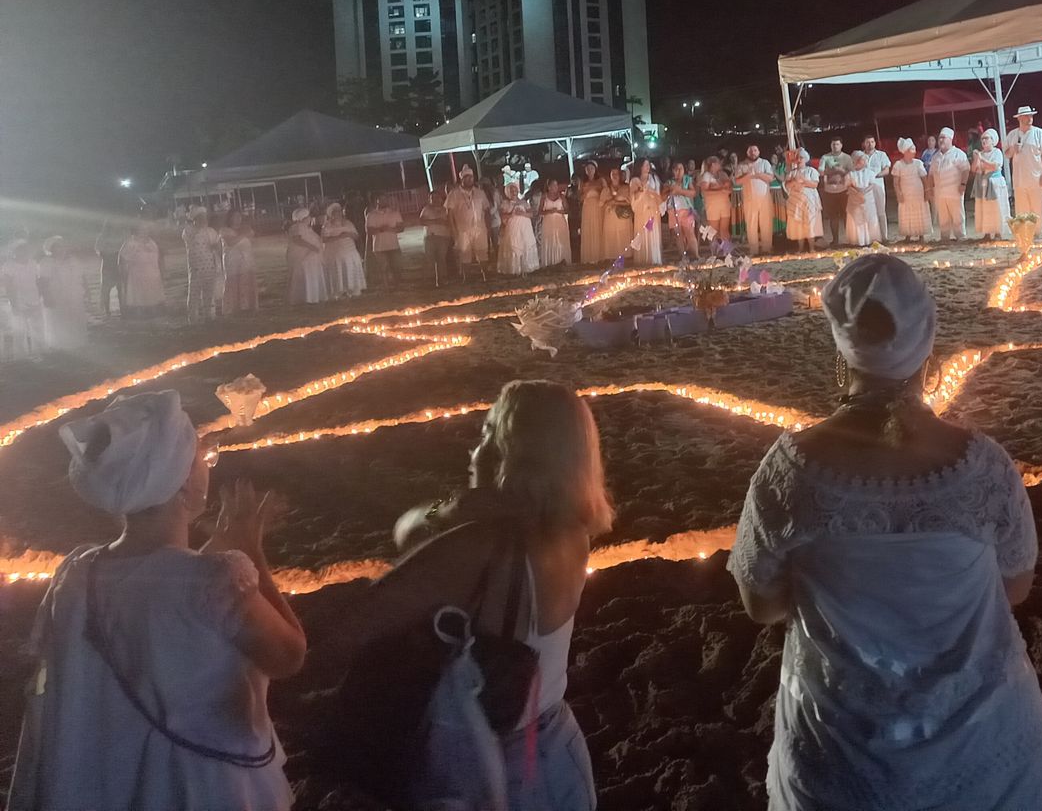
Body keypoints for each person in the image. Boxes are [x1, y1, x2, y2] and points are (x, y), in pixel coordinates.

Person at [729, 253, 1042, 810]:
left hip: (841, 751)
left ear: (842, 349)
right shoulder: (981, 467)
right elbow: (1016, 587)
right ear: (926, 342)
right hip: (984, 757)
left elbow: (760, 602)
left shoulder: (792, 471)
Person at [8, 390, 305, 811]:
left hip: (119, 781)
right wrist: (250, 550)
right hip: (205, 786)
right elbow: (289, 655)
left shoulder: (77, 573)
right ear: (184, 482)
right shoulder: (217, 578)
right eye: (200, 454)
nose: (206, 462)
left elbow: (157, 588)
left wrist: (222, 548)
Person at [349, 381, 612, 811]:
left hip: (491, 767)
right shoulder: (572, 528)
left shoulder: (478, 547)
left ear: (511, 447)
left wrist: (452, 508)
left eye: (488, 431)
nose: (475, 447)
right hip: (557, 751)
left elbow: (353, 627)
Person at [1003, 107, 1042, 239]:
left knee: (1037, 207)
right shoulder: (1012, 135)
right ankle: (1025, 233)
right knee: (1022, 208)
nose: (1029, 119)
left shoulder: (1039, 133)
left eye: (1031, 116)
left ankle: (1039, 232)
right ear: (1019, 118)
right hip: (1019, 178)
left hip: (1036, 176)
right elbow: (1006, 154)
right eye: (1026, 116)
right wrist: (1013, 149)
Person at [38, 237, 90, 350]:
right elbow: (43, 281)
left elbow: (83, 277)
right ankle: (60, 345)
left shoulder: (73, 260)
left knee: (76, 318)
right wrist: (47, 297)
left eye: (62, 246)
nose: (61, 249)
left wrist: (87, 291)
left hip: (74, 294)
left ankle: (77, 343)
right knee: (59, 320)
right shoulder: (46, 262)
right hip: (56, 295)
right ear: (52, 249)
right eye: (58, 247)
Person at [445, 168, 492, 281]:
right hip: (463, 230)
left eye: (471, 177)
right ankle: (466, 278)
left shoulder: (480, 193)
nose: (470, 179)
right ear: (462, 179)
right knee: (464, 254)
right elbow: (449, 214)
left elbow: (486, 211)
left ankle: (484, 275)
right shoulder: (454, 194)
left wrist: (488, 227)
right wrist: (453, 231)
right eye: (467, 177)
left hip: (480, 228)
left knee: (482, 252)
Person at [181, 208, 223, 323]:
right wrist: (197, 227)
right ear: (194, 219)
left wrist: (216, 248)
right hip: (195, 269)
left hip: (210, 267)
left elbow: (218, 246)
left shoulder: (211, 231)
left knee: (209, 293)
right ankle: (193, 318)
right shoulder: (188, 231)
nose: (203, 220)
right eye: (200, 218)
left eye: (204, 217)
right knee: (194, 294)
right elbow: (189, 239)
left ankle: (209, 317)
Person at [928, 127, 969, 241]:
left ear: (950, 139)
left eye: (943, 138)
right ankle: (945, 237)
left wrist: (963, 184)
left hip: (954, 191)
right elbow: (931, 174)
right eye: (939, 138)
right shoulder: (936, 156)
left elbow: (966, 170)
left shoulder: (958, 154)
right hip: (940, 193)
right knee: (943, 217)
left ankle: (961, 236)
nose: (940, 140)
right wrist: (929, 188)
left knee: (957, 215)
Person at [971, 129, 1012, 240]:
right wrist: (976, 158)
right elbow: (974, 169)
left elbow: (994, 166)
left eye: (986, 138)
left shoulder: (997, 152)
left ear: (993, 140)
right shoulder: (981, 154)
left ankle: (998, 232)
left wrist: (981, 158)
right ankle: (987, 232)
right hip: (983, 184)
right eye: (982, 139)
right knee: (985, 208)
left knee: (997, 207)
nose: (984, 141)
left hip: (995, 183)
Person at [118, 218, 165, 317]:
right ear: (136, 230)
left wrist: (161, 271)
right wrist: (123, 273)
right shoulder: (131, 243)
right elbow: (122, 258)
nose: (145, 231)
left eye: (146, 229)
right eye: (142, 229)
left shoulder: (152, 242)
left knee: (152, 299)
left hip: (153, 275)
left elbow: (159, 257)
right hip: (137, 276)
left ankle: (152, 314)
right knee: (139, 299)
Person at [320, 202, 366, 298]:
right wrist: (340, 236)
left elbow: (356, 236)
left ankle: (353, 289)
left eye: (339, 212)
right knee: (337, 270)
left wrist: (348, 235)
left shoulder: (348, 223)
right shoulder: (327, 225)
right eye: (335, 212)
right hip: (334, 252)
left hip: (349, 251)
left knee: (349, 268)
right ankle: (338, 291)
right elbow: (324, 239)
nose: (338, 214)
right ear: (331, 214)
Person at [735, 144, 775, 256]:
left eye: (755, 150)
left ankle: (767, 248)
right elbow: (737, 181)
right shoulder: (742, 165)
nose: (753, 153)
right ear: (747, 153)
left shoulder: (765, 163)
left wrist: (758, 174)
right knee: (751, 224)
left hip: (764, 198)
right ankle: (754, 250)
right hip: (749, 199)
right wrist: (748, 175)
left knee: (766, 222)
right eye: (751, 151)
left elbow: (770, 178)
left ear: (758, 152)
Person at [889, 138, 930, 242]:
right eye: (912, 149)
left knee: (919, 211)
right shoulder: (898, 165)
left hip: (918, 192)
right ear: (906, 151)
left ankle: (921, 234)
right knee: (906, 212)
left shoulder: (918, 163)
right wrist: (898, 193)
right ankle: (908, 235)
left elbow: (924, 178)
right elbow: (896, 182)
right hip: (906, 193)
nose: (914, 151)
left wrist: (927, 191)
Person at [782, 149, 823, 249]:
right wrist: (794, 182)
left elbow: (814, 184)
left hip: (809, 201)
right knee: (798, 224)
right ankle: (800, 248)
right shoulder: (792, 173)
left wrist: (803, 181)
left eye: (801, 158)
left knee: (810, 222)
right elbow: (787, 185)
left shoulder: (811, 171)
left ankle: (812, 247)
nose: (799, 160)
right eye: (797, 158)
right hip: (796, 201)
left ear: (805, 159)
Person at [220, 210, 259, 314]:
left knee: (246, 281)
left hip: (246, 260)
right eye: (235, 216)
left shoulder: (244, 229)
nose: (238, 219)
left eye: (239, 216)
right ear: (230, 218)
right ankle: (232, 308)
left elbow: (252, 240)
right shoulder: (225, 230)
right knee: (233, 282)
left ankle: (246, 306)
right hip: (232, 260)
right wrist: (244, 234)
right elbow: (231, 242)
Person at [285, 207, 326, 306]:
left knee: (311, 276)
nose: (310, 218)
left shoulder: (306, 228)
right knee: (305, 276)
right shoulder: (297, 227)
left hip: (311, 258)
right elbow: (297, 239)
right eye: (308, 216)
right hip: (303, 257)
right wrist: (312, 247)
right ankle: (304, 298)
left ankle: (313, 297)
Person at [497, 184, 540, 275]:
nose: (514, 192)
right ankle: (515, 269)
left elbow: (531, 214)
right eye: (511, 191)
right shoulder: (505, 203)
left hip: (525, 229)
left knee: (525, 245)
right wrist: (511, 214)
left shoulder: (524, 202)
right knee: (514, 245)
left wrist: (522, 214)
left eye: (515, 190)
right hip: (513, 229)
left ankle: (525, 269)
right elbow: (502, 216)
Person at [628, 158, 664, 266]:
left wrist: (652, 192)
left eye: (648, 165)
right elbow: (633, 196)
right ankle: (643, 258)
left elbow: (659, 195)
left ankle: (654, 258)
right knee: (642, 231)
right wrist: (642, 191)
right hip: (641, 210)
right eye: (645, 165)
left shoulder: (654, 178)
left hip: (653, 208)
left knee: (652, 231)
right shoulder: (635, 180)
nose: (647, 167)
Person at [363, 197, 403, 290]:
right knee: (383, 267)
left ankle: (397, 285)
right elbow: (369, 231)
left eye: (385, 199)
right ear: (376, 201)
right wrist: (381, 229)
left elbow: (401, 228)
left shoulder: (394, 213)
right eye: (380, 199)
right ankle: (386, 286)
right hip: (379, 246)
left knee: (397, 266)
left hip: (393, 245)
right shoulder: (371, 215)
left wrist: (391, 229)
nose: (383, 201)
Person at [664, 163, 699, 260]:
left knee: (690, 232)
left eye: (681, 169)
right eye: (676, 169)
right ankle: (682, 255)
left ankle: (695, 255)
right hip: (673, 210)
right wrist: (669, 190)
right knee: (678, 234)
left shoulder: (688, 180)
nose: (679, 171)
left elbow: (693, 193)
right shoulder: (669, 182)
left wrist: (680, 191)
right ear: (673, 171)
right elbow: (663, 195)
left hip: (686, 209)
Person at [843, 151, 878, 247]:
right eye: (858, 160)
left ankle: (870, 240)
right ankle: (858, 241)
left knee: (869, 217)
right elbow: (848, 186)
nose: (860, 162)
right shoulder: (850, 174)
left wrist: (864, 191)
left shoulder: (870, 173)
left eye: (861, 160)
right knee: (857, 218)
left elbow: (872, 184)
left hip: (868, 199)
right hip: (855, 199)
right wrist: (857, 191)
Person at [419, 188, 454, 285]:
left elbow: (451, 222)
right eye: (432, 198)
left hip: (443, 237)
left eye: (437, 197)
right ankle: (430, 280)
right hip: (430, 237)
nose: (435, 200)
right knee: (429, 259)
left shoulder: (446, 209)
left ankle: (442, 279)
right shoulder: (426, 209)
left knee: (441, 259)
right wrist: (435, 221)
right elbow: (421, 221)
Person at [861, 136, 892, 241]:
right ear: (864, 144)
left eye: (872, 142)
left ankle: (884, 237)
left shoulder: (881, 155)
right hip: (865, 188)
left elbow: (886, 170)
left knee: (881, 211)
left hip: (878, 186)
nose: (870, 144)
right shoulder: (860, 156)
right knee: (868, 212)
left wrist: (876, 176)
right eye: (867, 142)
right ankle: (870, 237)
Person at [95, 219, 127, 320]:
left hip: (118, 261)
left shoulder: (121, 235)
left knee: (120, 286)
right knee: (106, 288)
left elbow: (125, 247)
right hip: (108, 262)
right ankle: (107, 310)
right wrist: (107, 253)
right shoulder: (102, 236)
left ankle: (123, 309)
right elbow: (98, 249)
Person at [698, 156, 734, 246]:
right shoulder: (706, 175)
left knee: (724, 230)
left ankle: (726, 252)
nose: (720, 164)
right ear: (713, 164)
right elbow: (705, 189)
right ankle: (716, 252)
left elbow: (729, 186)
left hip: (724, 204)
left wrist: (726, 188)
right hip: (713, 206)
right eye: (718, 163)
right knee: (714, 230)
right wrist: (721, 188)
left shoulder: (722, 174)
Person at [599, 167, 634, 261]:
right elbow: (601, 204)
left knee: (623, 235)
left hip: (623, 217)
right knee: (611, 236)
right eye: (612, 174)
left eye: (616, 174)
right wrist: (610, 201)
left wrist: (615, 202)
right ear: (610, 176)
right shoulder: (606, 190)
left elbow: (630, 202)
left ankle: (625, 257)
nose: (614, 176)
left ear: (619, 176)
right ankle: (612, 257)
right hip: (610, 218)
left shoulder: (626, 188)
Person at [537, 178, 573, 267]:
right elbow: (540, 211)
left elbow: (567, 210)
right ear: (549, 187)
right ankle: (549, 262)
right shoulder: (544, 197)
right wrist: (549, 211)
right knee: (550, 240)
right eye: (553, 185)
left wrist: (559, 211)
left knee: (560, 240)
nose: (555, 187)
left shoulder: (561, 197)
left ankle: (562, 260)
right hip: (548, 222)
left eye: (556, 185)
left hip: (560, 221)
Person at [576, 162, 606, 265]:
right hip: (587, 206)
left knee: (598, 227)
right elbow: (579, 198)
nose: (590, 170)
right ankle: (589, 257)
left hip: (598, 206)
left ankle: (600, 256)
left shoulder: (600, 180)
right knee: (588, 229)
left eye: (592, 168)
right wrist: (586, 192)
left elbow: (606, 192)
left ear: (595, 169)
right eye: (588, 168)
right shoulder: (582, 182)